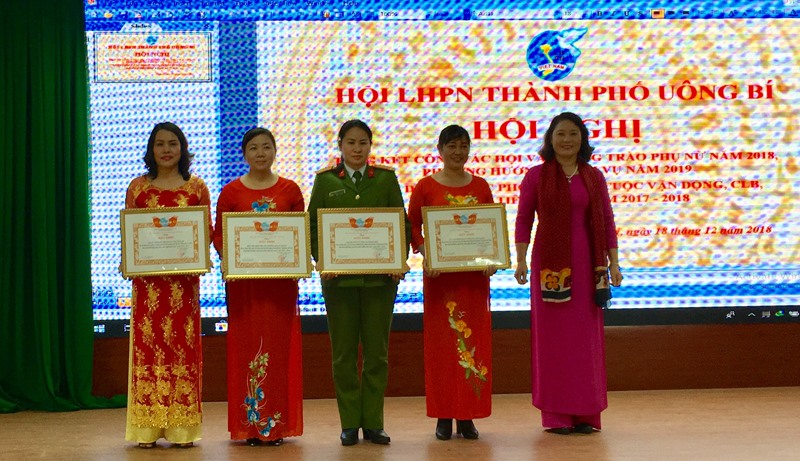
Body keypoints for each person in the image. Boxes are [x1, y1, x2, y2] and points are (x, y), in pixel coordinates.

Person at [514, 112, 623, 435]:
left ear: (582, 140)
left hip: (589, 268)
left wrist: (614, 264)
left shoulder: (594, 176)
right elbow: (523, 220)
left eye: (573, 134)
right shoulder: (536, 176)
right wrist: (520, 260)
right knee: (554, 344)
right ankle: (557, 415)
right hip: (550, 270)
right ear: (550, 139)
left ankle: (587, 413)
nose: (567, 140)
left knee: (584, 343)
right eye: (560, 134)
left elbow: (607, 221)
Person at [307, 119, 411, 446]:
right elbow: (313, 227)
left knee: (377, 354)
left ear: (370, 145)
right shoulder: (325, 181)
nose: (356, 148)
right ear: (340, 145)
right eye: (350, 142)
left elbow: (401, 224)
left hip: (380, 282)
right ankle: (350, 422)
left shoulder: (385, 179)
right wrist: (321, 259)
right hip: (339, 283)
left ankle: (374, 423)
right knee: (344, 355)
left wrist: (398, 260)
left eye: (362, 142)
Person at [212, 128, 304, 446]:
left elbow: (298, 233)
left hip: (279, 286)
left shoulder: (290, 190)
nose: (260, 153)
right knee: (247, 350)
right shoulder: (230, 192)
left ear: (275, 151)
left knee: (276, 352)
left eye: (266, 147)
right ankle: (251, 426)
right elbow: (219, 235)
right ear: (244, 154)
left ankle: (274, 426)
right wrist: (230, 257)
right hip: (245, 286)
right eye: (253, 148)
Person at [124, 122, 211, 448]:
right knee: (148, 350)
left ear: (182, 148)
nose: (166, 150)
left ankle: (181, 430)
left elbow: (206, 232)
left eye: (172, 143)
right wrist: (129, 259)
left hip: (183, 288)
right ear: (151, 149)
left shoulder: (197, 188)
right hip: (148, 289)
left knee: (181, 351)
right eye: (159, 144)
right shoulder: (138, 188)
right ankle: (146, 429)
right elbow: (131, 234)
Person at [408, 125, 495, 440]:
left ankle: (467, 415)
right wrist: (426, 253)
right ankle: (443, 415)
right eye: (452, 146)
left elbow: (490, 227)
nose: (458, 152)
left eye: (463, 146)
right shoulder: (425, 186)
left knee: (473, 344)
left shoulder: (481, 186)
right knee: (442, 347)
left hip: (473, 282)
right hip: (440, 281)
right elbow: (413, 225)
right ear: (440, 149)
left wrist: (492, 259)